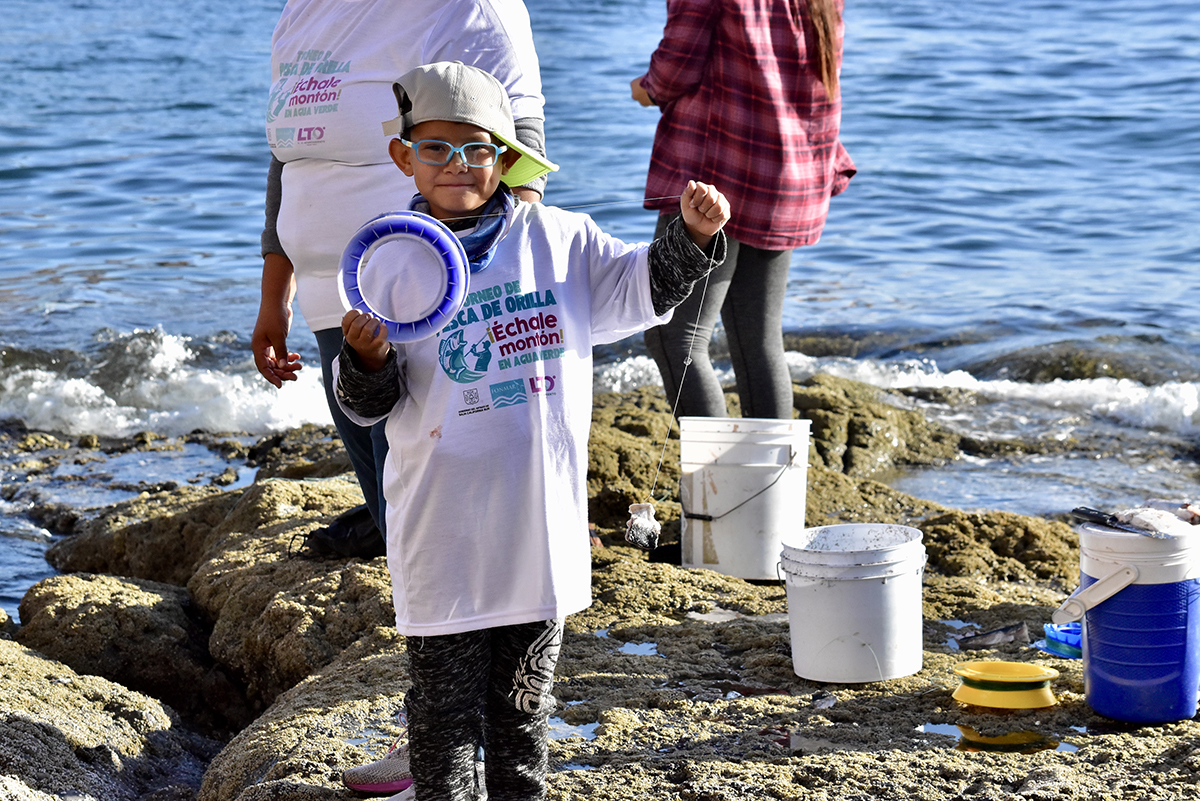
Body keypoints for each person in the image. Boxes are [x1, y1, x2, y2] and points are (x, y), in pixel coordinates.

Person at [334, 61, 729, 801]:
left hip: (538, 530)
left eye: (477, 149)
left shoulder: (559, 239)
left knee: (521, 718)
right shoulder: (386, 260)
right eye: (436, 149)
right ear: (403, 156)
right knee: (441, 722)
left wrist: (693, 233)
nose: (458, 165)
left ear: (507, 157)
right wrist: (365, 354)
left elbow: (645, 288)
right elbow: (367, 406)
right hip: (440, 533)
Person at [251, 0, 550, 557]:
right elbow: (287, 159)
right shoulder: (302, 10)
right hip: (332, 307)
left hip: (423, 306)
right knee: (398, 514)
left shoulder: (470, 8)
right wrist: (275, 299)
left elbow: (519, 150)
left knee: (431, 512)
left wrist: (505, 289)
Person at [631, 0, 856, 419]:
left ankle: (713, 483)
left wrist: (644, 87)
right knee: (759, 341)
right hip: (787, 174)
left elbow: (673, 70)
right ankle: (770, 484)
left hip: (718, 177)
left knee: (676, 338)